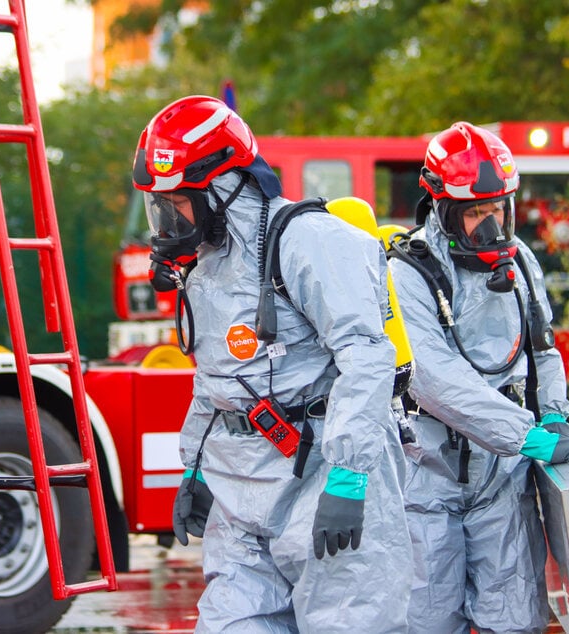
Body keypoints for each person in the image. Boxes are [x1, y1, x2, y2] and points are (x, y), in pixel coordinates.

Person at [132, 95, 412, 632]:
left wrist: (350, 477)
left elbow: (367, 356)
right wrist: (195, 467)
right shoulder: (207, 270)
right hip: (239, 489)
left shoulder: (310, 242)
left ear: (221, 188)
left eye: (175, 203)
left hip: (324, 479)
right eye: (158, 205)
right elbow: (215, 381)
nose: (166, 221)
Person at [387, 121, 569, 633]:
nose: (491, 225)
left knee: (515, 617)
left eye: (497, 209)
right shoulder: (409, 271)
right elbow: (432, 378)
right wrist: (526, 435)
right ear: (442, 209)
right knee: (427, 619)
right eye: (475, 212)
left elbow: (542, 349)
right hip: (428, 479)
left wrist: (556, 416)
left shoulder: (520, 264)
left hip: (504, 480)